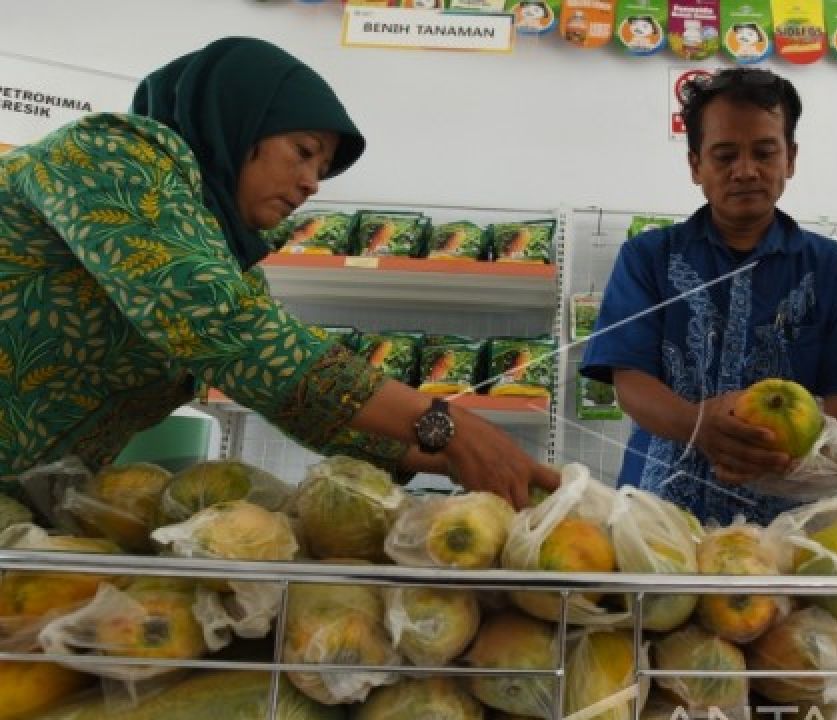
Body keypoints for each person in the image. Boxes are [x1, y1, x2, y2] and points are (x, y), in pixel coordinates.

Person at [0, 37, 558, 512]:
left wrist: (436, 452)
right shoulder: (111, 156)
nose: (313, 182)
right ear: (237, 121)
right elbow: (226, 329)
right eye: (305, 152)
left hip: (27, 505)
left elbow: (285, 391)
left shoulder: (226, 264)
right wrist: (445, 422)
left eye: (323, 170)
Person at [580, 68, 837, 526]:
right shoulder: (646, 257)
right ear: (695, 165)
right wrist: (696, 425)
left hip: (789, 524)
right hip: (657, 517)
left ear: (791, 158)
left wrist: (795, 452)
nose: (745, 170)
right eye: (724, 155)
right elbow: (629, 379)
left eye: (765, 152)